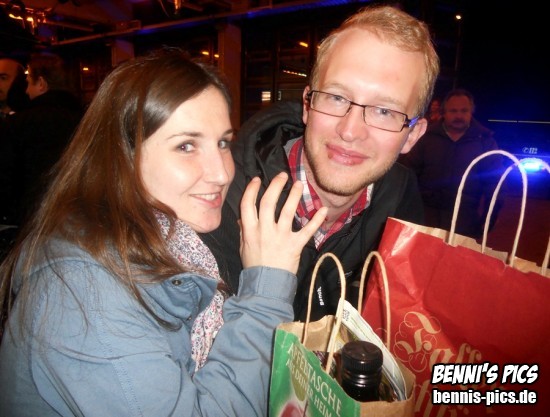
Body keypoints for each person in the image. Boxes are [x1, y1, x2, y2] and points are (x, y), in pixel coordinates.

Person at [0, 48, 326, 416]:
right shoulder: (83, 290)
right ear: (121, 156)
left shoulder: (169, 240)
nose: (221, 173)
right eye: (186, 146)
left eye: (223, 142)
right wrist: (266, 288)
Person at [199, 4, 440, 321]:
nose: (350, 131)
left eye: (384, 111)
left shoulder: (400, 201)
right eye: (337, 98)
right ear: (307, 105)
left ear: (412, 135)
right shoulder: (220, 198)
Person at [401, 88, 504, 239]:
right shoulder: (426, 138)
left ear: (471, 112)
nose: (459, 116)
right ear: (444, 112)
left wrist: (488, 220)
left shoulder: (485, 142)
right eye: (453, 111)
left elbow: (494, 186)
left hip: (465, 222)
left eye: (464, 111)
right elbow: (408, 174)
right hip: (425, 218)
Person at [1, 52, 82, 227]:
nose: (26, 90)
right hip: (78, 217)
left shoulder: (20, 123)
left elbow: (7, 178)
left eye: (29, 82)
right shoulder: (86, 119)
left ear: (41, 84)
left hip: (32, 220)